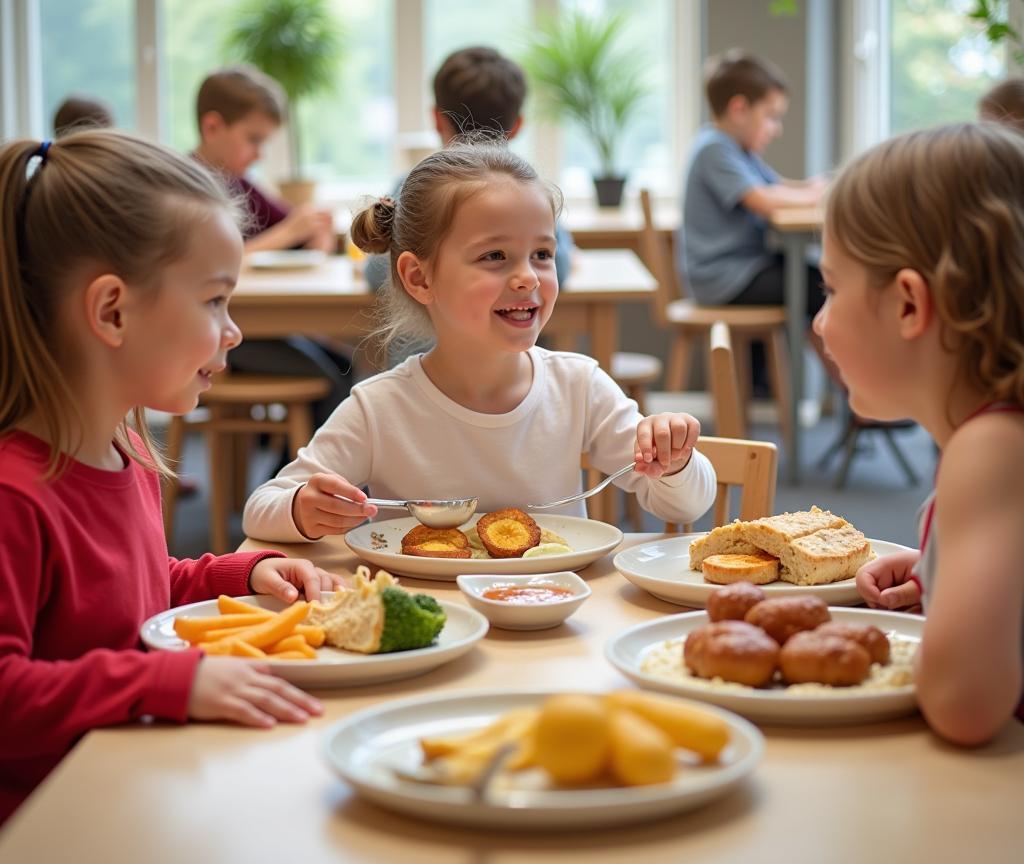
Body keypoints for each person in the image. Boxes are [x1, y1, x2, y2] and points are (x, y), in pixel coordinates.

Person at [0, 129, 343, 825]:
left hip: (128, 783)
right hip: (53, 822)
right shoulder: (14, 495)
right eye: (215, 300)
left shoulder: (120, 449)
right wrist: (169, 682)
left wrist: (232, 576)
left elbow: (121, 597)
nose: (234, 331)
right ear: (112, 311)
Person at [242, 139, 717, 543]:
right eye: (495, 256)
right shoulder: (380, 407)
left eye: (542, 254)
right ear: (419, 277)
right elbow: (262, 507)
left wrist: (675, 462)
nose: (527, 277)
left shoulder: (579, 386)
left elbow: (685, 503)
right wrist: (303, 510)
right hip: (428, 636)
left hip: (552, 627)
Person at [815, 122, 1024, 746]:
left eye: (831, 288)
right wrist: (940, 564)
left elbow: (963, 707)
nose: (821, 325)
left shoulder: (990, 451)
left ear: (909, 304)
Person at [194, 65, 352, 428]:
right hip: (223, 335)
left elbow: (291, 226)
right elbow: (202, 269)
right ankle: (292, 477)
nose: (259, 153)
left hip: (256, 326)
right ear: (213, 127)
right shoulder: (189, 187)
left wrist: (314, 233)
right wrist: (288, 233)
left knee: (345, 365)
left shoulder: (241, 184)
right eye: (253, 140)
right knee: (332, 384)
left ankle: (294, 468)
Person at [365, 47, 574, 294]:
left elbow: (378, 274)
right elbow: (559, 267)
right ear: (517, 125)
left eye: (540, 254)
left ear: (436, 118)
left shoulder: (413, 188)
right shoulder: (528, 192)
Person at [679, 49, 826, 315]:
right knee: (817, 287)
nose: (777, 129)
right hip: (723, 278)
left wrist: (814, 186)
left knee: (816, 278)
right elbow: (764, 200)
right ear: (739, 109)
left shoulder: (740, 151)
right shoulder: (714, 148)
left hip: (743, 269)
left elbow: (777, 186)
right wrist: (817, 196)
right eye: (771, 117)